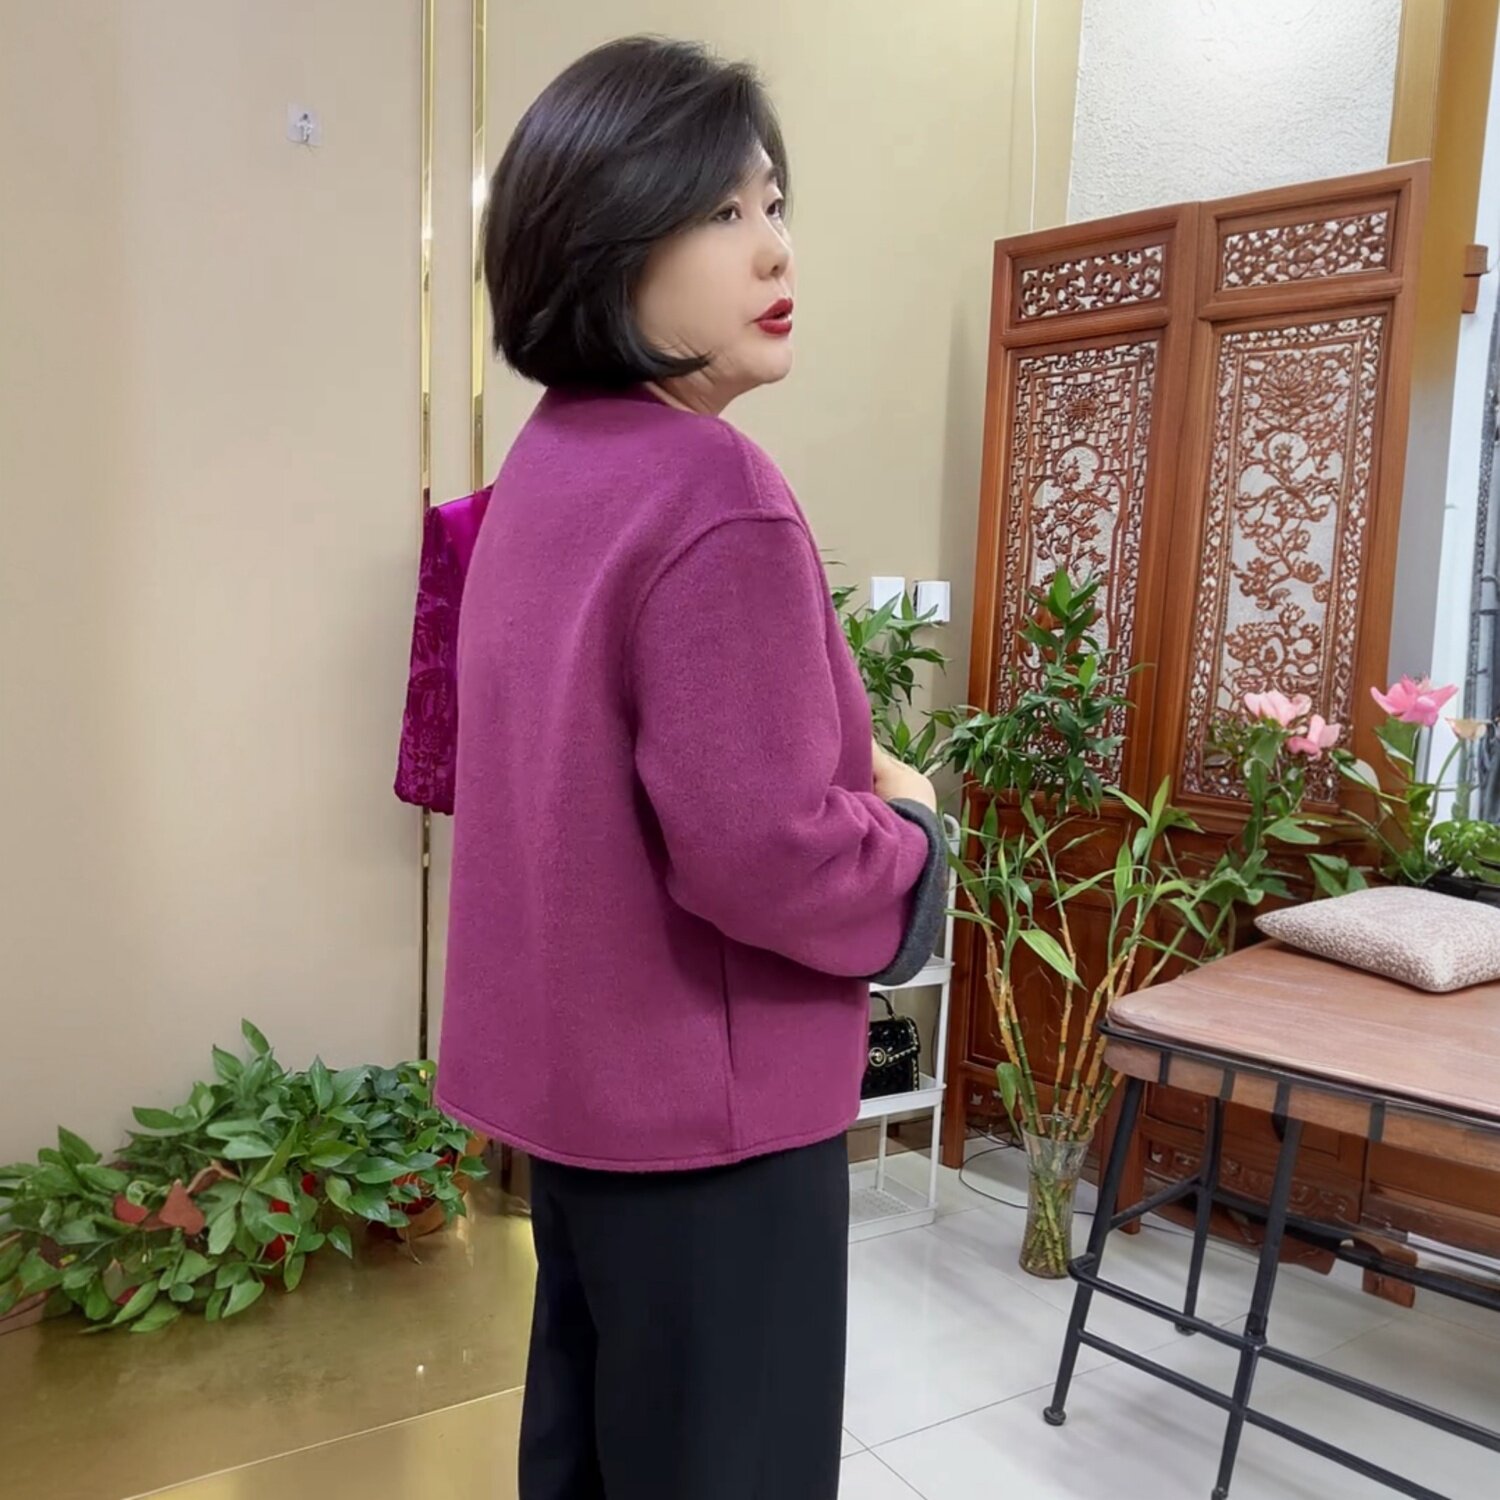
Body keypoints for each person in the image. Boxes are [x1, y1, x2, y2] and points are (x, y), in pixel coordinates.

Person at [436, 36, 946, 1500]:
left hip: (585, 1105)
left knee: (593, 1461)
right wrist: (911, 841)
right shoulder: (715, 490)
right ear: (605, 242)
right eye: (720, 212)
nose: (775, 248)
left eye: (774, 204)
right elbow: (760, 850)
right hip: (712, 1123)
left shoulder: (551, 465)